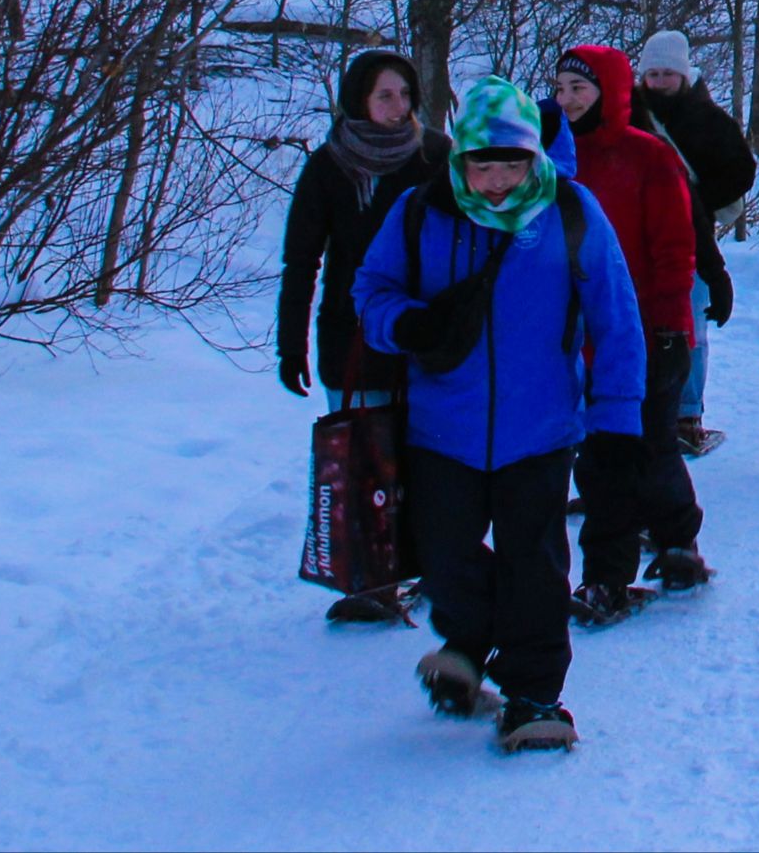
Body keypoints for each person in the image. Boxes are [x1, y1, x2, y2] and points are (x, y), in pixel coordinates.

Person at [353, 75, 646, 754]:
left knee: (534, 566)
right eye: (481, 163)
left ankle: (535, 695)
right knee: (444, 556)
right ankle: (469, 638)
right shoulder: (419, 211)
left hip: (539, 430)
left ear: (531, 159)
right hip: (440, 429)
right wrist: (409, 325)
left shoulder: (571, 212)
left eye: (509, 163)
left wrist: (619, 419)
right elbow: (370, 291)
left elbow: (616, 316)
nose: (494, 180)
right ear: (459, 160)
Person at [276, 49, 448, 622]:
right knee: (364, 459)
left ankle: (429, 565)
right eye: (384, 96)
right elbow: (301, 261)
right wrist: (290, 343)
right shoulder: (330, 165)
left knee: (426, 457)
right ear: (359, 102)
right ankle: (371, 578)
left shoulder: (436, 157)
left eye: (405, 94)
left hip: (427, 332)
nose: (398, 108)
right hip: (351, 339)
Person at [545, 44, 709, 620]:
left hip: (648, 333)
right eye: (560, 89)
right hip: (574, 341)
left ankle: (677, 540)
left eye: (579, 90)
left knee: (653, 445)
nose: (566, 101)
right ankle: (605, 577)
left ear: (609, 93)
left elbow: (674, 248)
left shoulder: (646, 155)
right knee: (601, 462)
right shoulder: (546, 163)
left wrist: (668, 325)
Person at [630, 29, 757, 453]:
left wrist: (695, 203)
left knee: (691, 326)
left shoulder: (709, 119)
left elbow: (741, 169)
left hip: (691, 236)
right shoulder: (629, 115)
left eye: (668, 73)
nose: (660, 82)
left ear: (684, 75)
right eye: (653, 73)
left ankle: (687, 414)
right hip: (636, 233)